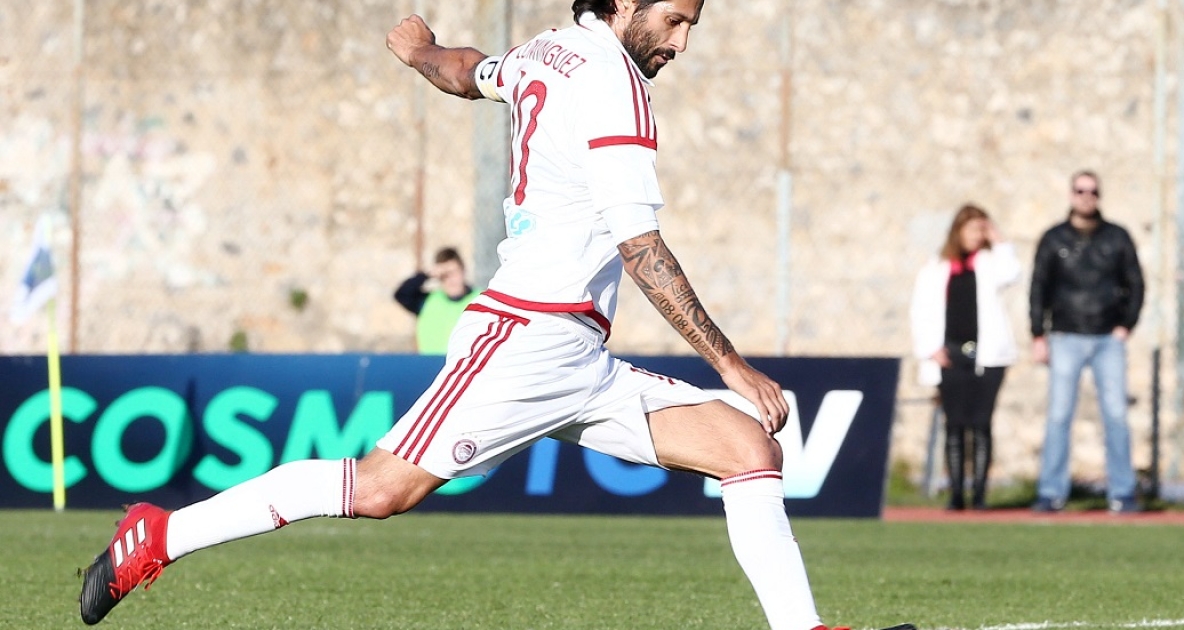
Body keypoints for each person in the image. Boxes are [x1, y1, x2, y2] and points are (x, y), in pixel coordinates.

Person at [78, 3, 861, 630]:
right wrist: (731, 364)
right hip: (524, 339)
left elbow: (468, 72)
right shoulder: (616, 87)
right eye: (676, 20)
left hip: (577, 357)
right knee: (379, 490)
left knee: (745, 445)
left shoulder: (548, 51)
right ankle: (160, 535)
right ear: (625, 4)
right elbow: (641, 249)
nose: (683, 42)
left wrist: (421, 51)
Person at [1029, 170, 1145, 514]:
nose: (1086, 197)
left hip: (1108, 337)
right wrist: (1038, 334)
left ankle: (1122, 492)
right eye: (1080, 190)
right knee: (1059, 415)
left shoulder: (1116, 237)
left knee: (1116, 414)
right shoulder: (1054, 239)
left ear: (1099, 196)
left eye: (1092, 191)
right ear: (1071, 195)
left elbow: (1136, 283)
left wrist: (1126, 325)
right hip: (1065, 335)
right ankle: (1051, 492)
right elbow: (1039, 287)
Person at [910, 204, 1020, 511]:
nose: (976, 236)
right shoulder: (936, 268)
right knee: (955, 423)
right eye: (971, 229)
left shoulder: (990, 263)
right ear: (958, 231)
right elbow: (920, 310)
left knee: (981, 423)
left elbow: (1012, 273)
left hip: (988, 356)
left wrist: (999, 240)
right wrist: (929, 348)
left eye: (981, 230)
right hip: (950, 355)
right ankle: (956, 494)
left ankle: (980, 495)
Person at [393, 246, 482, 354]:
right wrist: (428, 274)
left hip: (466, 363)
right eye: (445, 275)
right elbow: (402, 294)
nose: (451, 280)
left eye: (454, 273)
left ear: (463, 271)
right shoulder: (428, 301)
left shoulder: (481, 300)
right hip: (430, 362)